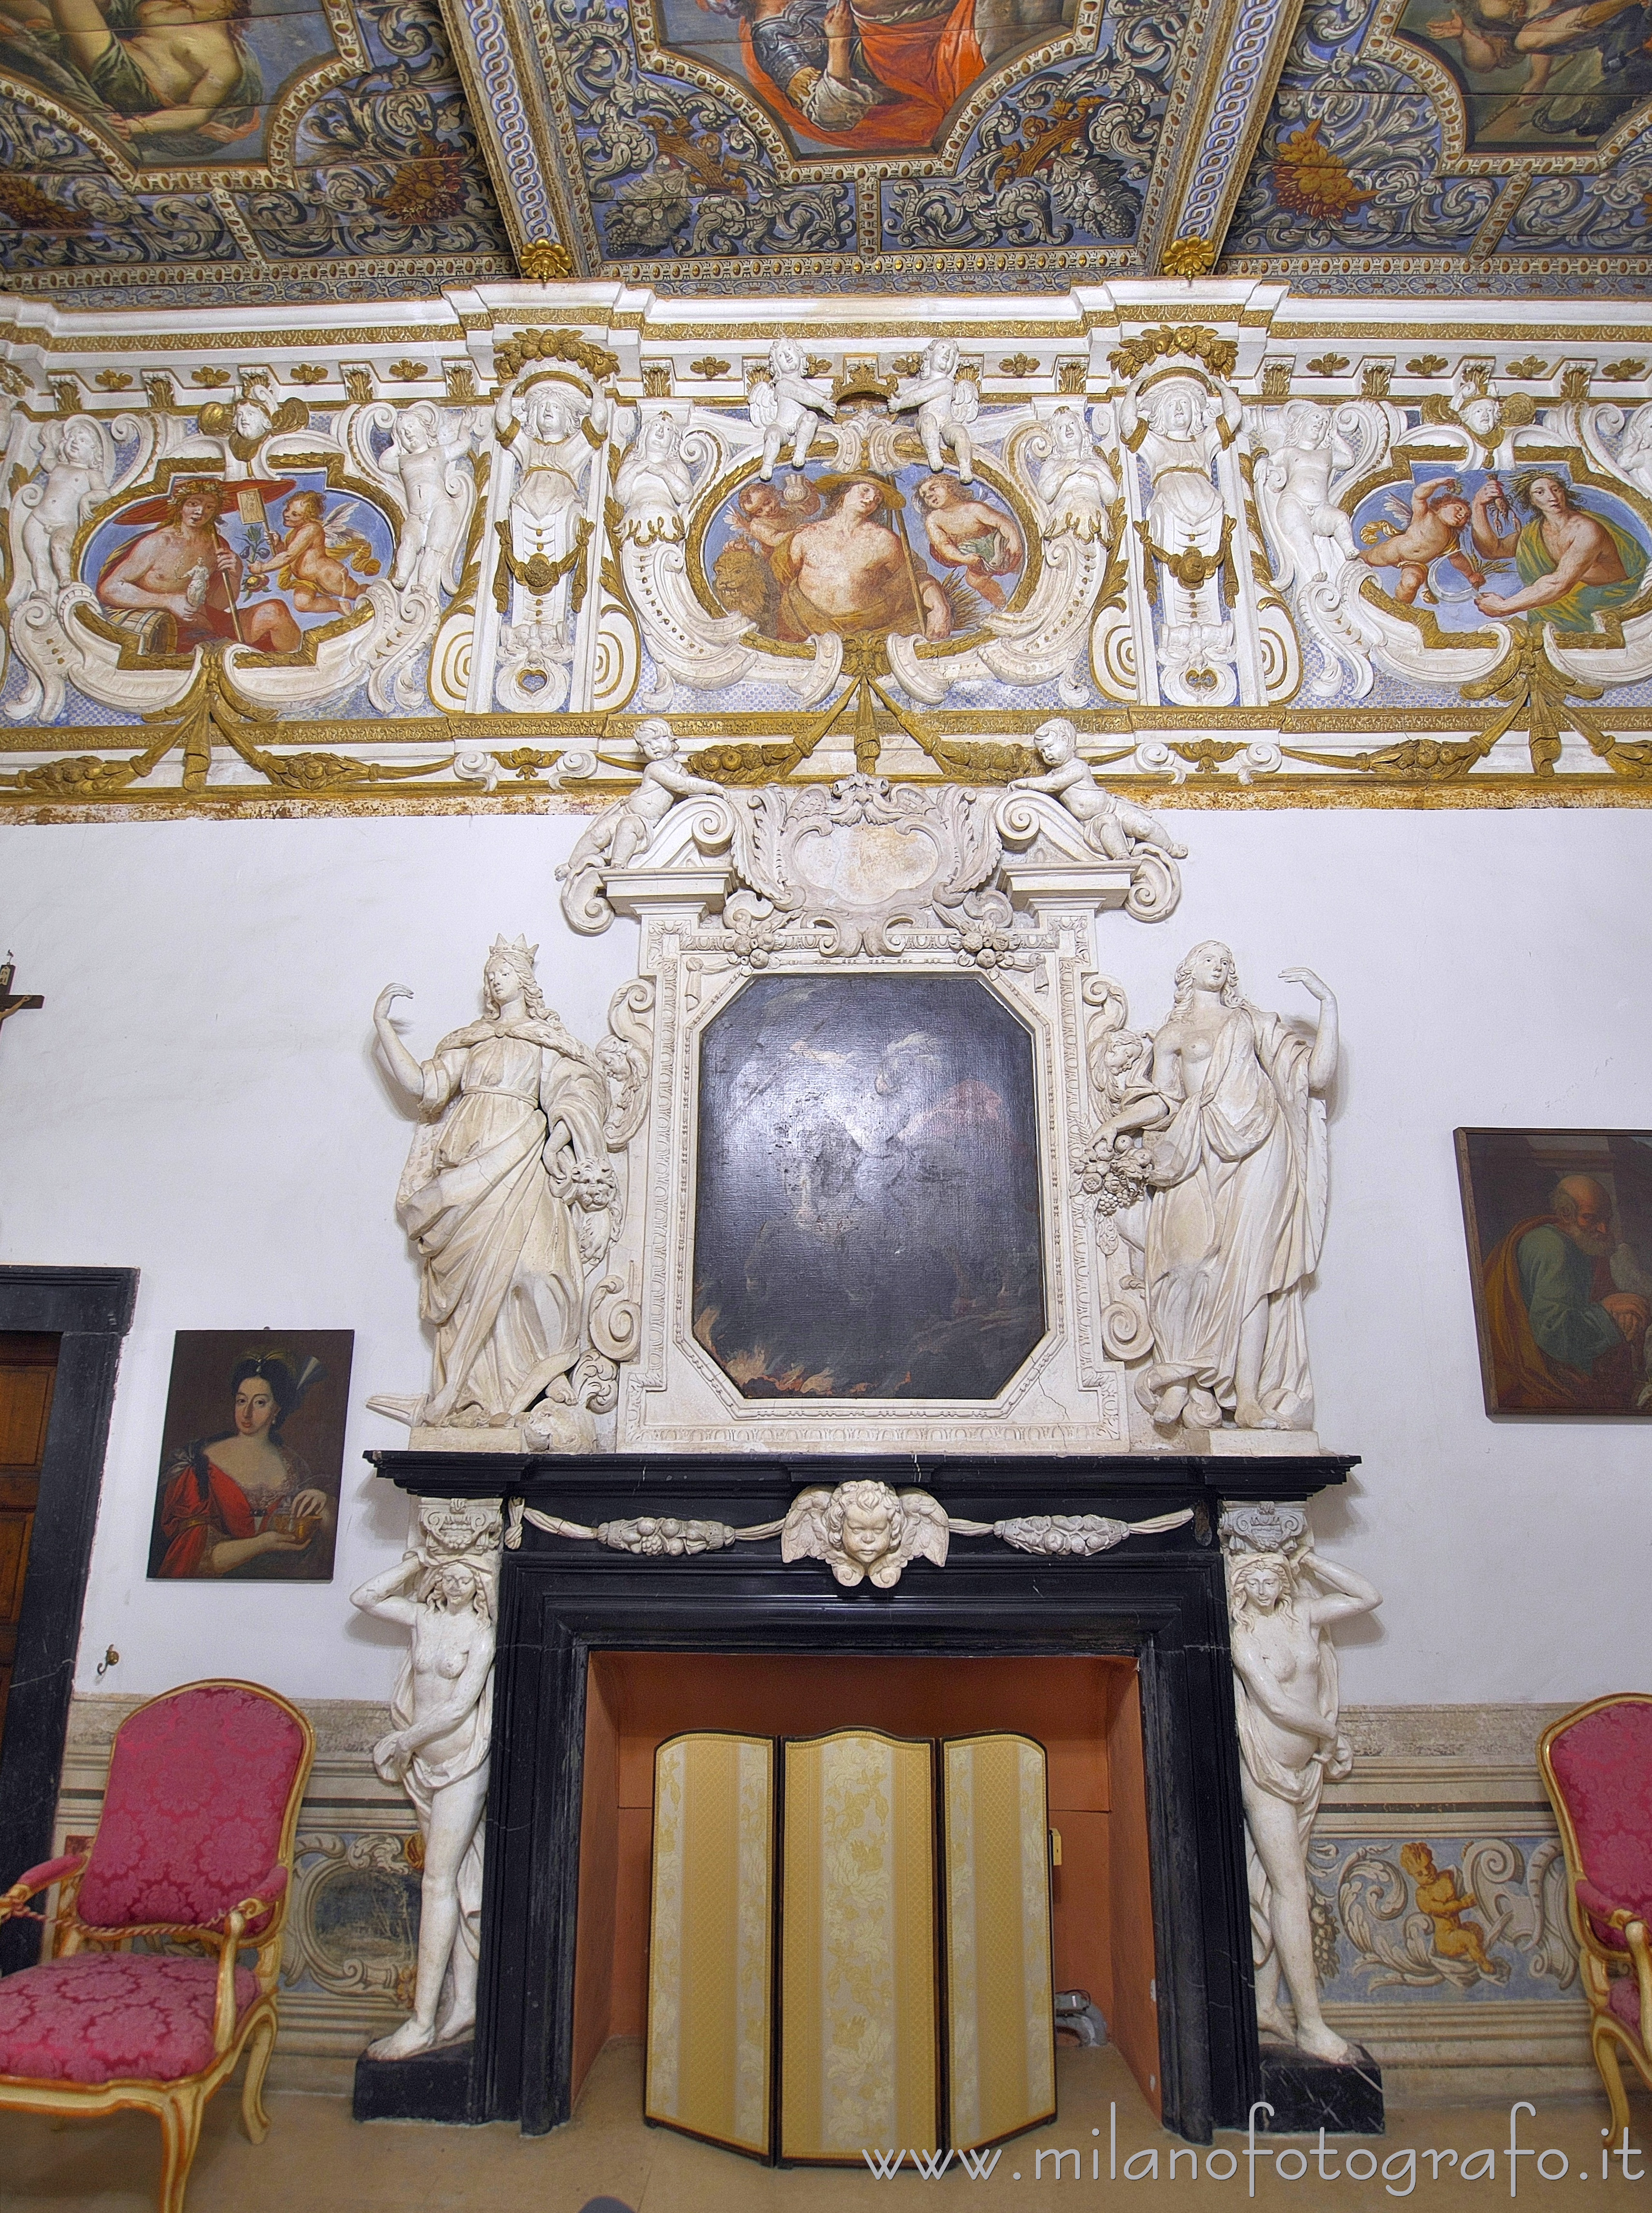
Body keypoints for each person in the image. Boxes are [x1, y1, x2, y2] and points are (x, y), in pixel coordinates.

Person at [372, 937, 617, 1430]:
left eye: (502, 971)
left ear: (523, 980)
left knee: (538, 1269)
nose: (493, 979)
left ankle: (547, 1370)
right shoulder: (473, 1041)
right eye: (490, 973)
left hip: (522, 1157)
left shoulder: (542, 1042)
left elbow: (577, 1090)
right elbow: (425, 1085)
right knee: (470, 1282)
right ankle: (466, 1388)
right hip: (466, 1162)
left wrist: (559, 1138)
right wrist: (383, 1029)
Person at [1107, 943, 1337, 1432]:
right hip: (1196, 1146)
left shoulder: (1252, 1023)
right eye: (1208, 957)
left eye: (1224, 960)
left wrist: (1328, 1006)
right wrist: (1115, 1126)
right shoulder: (1171, 1034)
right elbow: (1166, 1102)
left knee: (1250, 1273)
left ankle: (1249, 1397)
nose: (1219, 963)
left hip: (1261, 1147)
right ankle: (1182, 1375)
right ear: (1187, 970)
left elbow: (1315, 1075)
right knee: (1180, 1262)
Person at [350, 1500, 500, 2059]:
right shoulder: (425, 1618)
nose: (459, 1581)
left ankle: (419, 2021)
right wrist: (412, 1562)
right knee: (456, 1880)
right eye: (451, 1574)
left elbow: (461, 1708)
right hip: (423, 1769)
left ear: (479, 1585)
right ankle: (462, 2004)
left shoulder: (482, 1634)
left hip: (463, 1765)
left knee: (437, 1880)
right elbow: (365, 1598)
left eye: (469, 1575)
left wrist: (402, 1740)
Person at [1228, 1541, 1381, 2063]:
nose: (1265, 1588)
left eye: (1273, 1579)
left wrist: (1308, 1559)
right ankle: (1312, 2024)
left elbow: (1367, 1596)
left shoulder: (1304, 1616)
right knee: (1291, 1885)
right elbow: (1272, 1701)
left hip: (1304, 1771)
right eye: (1254, 1580)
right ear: (1239, 1586)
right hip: (1266, 1772)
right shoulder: (1242, 1636)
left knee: (1278, 1883)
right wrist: (1331, 1734)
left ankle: (1266, 2004)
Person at [1479, 1174, 1651, 1409]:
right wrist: (1608, 1311)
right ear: (1566, 1214)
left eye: (1606, 1220)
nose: (1602, 1228)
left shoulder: (1571, 1243)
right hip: (1534, 1383)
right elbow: (1554, 1332)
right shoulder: (1554, 1248)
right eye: (1590, 1218)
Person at [153, 1353, 331, 1578]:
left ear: (276, 1410)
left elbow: (322, 1543)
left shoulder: (295, 1465)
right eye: (241, 1401)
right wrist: (262, 1543)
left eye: (260, 1403)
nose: (247, 1413)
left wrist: (322, 1500)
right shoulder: (198, 1464)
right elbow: (192, 1554)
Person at [97, 478, 300, 653]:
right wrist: (167, 601)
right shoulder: (158, 543)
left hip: (208, 621)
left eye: (210, 507)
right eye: (193, 503)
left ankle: (293, 676)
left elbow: (217, 603)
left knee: (276, 611)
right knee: (237, 656)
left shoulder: (216, 544)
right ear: (180, 506)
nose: (201, 511)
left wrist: (234, 575)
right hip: (172, 630)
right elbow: (110, 589)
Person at [43, 0, 262, 153]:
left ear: (227, 5)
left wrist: (136, 126)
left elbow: (196, 113)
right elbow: (115, 13)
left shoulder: (224, 58)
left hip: (126, 81)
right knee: (28, 10)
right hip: (112, 53)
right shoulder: (174, 8)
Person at [772, 474, 951, 641]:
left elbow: (913, 577)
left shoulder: (884, 539)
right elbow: (781, 578)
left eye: (878, 499)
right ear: (844, 492)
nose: (871, 499)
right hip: (804, 627)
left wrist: (940, 607)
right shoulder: (808, 535)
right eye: (865, 490)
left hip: (869, 631)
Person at [1469, 470, 1648, 631]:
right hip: (1573, 597)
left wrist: (1504, 606)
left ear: (1564, 492)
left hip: (1609, 598)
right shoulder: (1535, 532)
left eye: (1556, 489)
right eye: (1540, 492)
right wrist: (1478, 506)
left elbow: (1559, 584)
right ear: (1532, 500)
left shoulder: (1586, 530)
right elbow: (1493, 550)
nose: (1552, 497)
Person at [1357, 476, 1481, 604]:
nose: (1462, 516)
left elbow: (1457, 559)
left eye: (1466, 517)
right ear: (1444, 505)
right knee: (1367, 558)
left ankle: (1400, 607)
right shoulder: (1426, 515)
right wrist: (1438, 482)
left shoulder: (1451, 538)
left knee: (1411, 583)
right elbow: (1419, 495)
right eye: (1459, 509)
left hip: (1416, 564)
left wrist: (1471, 575)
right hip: (1397, 549)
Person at [914, 472, 1022, 607]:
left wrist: (1014, 539)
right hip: (977, 559)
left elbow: (1001, 523)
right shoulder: (934, 519)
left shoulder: (973, 508)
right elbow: (943, 545)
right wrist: (963, 559)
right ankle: (1002, 604)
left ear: (950, 486)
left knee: (1018, 563)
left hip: (999, 548)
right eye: (924, 496)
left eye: (933, 488)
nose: (929, 496)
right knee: (973, 580)